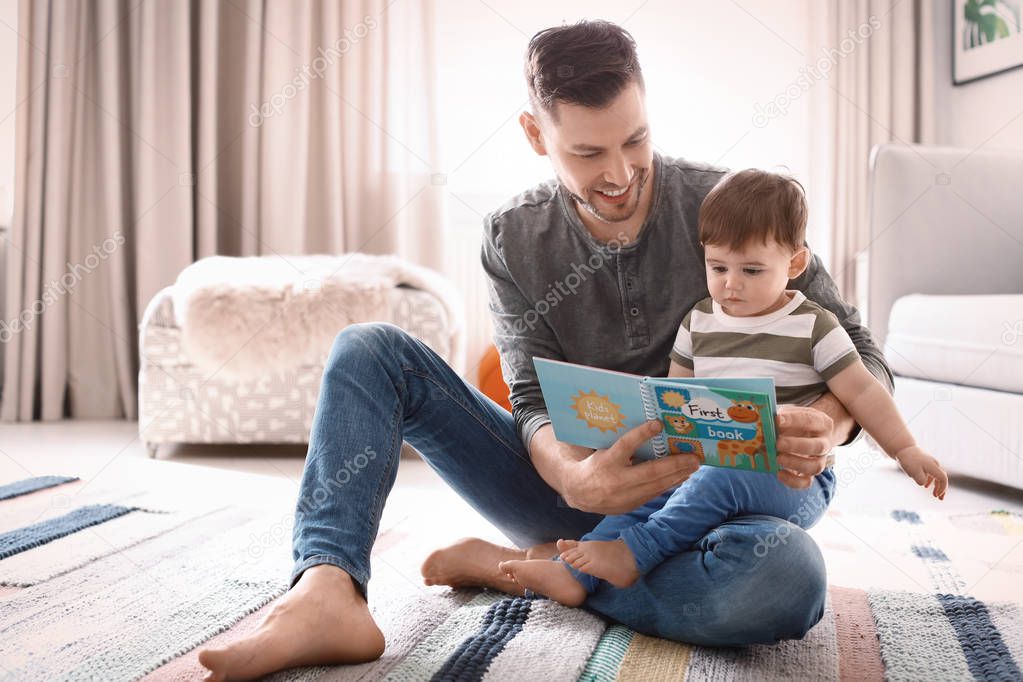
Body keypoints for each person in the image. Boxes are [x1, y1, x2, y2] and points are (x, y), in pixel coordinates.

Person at [198, 20, 895, 681]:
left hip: (712, 506)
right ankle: (326, 591)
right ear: (535, 134)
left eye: (635, 141)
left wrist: (830, 422)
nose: (621, 173)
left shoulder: (729, 205)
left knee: (787, 581)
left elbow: (861, 350)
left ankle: (531, 567)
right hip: (574, 490)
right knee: (369, 350)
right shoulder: (513, 236)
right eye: (588, 153)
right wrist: (571, 478)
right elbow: (526, 395)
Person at [496, 169, 948, 607]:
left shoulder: (813, 325)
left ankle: (636, 554)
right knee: (651, 489)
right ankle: (574, 574)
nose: (731, 284)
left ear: (794, 263)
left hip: (794, 479)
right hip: (705, 466)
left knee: (724, 477)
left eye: (751, 270)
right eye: (718, 267)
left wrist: (905, 449)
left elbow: (863, 392)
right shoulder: (698, 323)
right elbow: (674, 402)